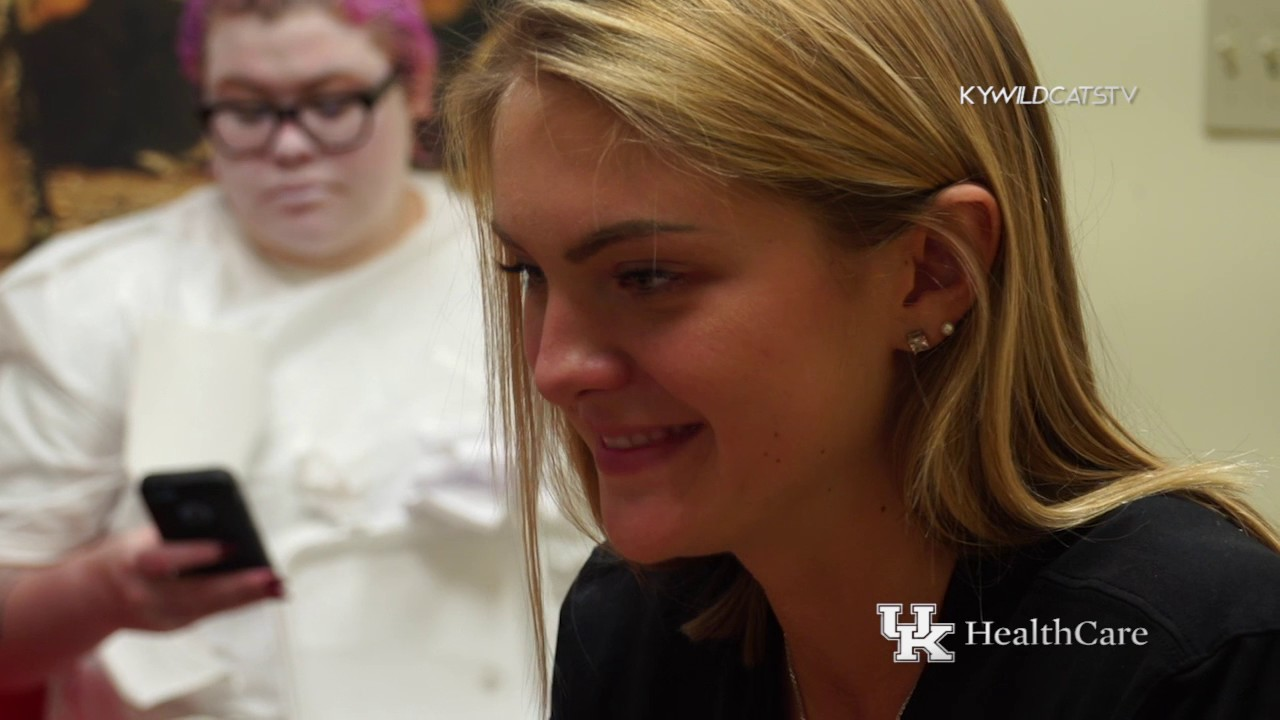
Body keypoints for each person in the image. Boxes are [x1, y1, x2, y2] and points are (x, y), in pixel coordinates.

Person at [439, 1, 1280, 718]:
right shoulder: (636, 624)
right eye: (528, 274)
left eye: (648, 275)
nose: (555, 369)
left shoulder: (1199, 663)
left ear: (930, 273)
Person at [0, 0, 557, 716]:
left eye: (331, 103)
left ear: (415, 87)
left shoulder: (521, 265)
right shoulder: (85, 302)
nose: (290, 147)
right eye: (246, 110)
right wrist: (100, 593)